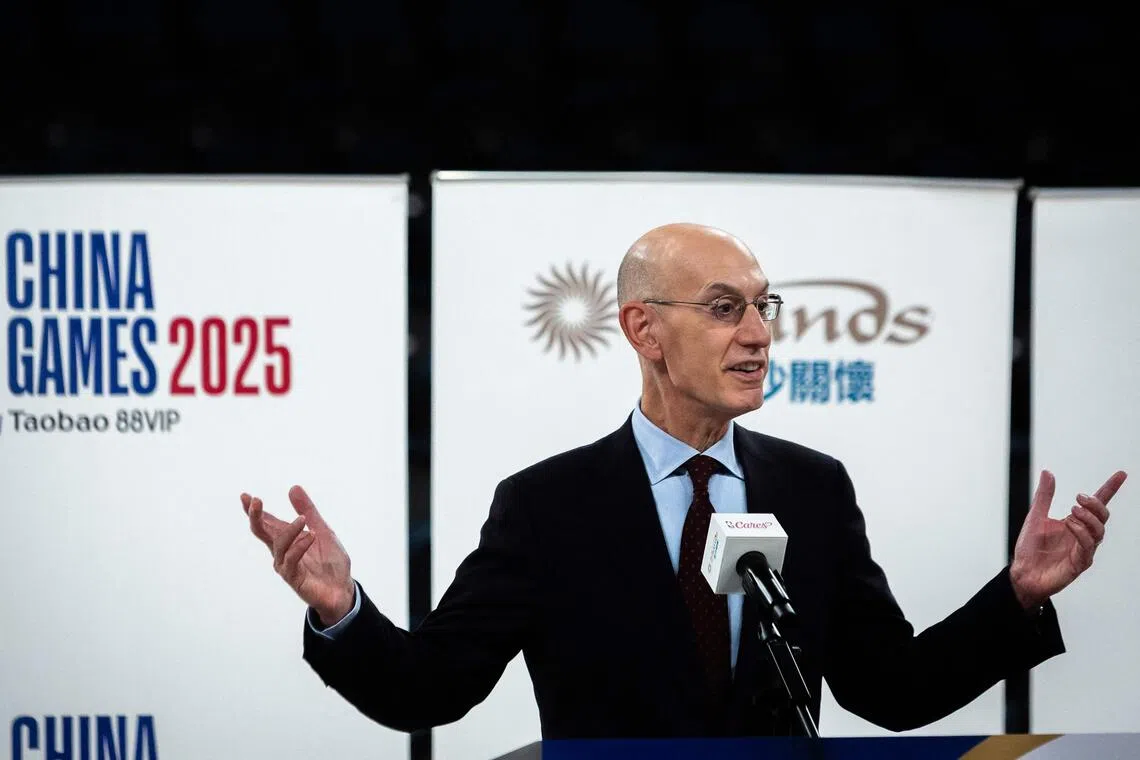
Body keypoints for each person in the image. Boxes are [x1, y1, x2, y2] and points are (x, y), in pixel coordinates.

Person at [241, 222, 1127, 738]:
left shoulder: (814, 489)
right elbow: (431, 688)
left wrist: (1014, 597)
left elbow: (889, 689)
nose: (758, 334)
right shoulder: (547, 506)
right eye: (723, 308)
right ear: (643, 330)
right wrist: (338, 607)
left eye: (763, 306)